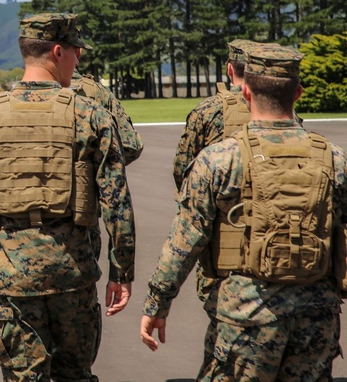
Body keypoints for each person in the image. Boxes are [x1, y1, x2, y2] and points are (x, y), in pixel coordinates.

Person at [0, 12, 135, 381]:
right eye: (76, 52)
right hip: (73, 275)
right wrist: (121, 273)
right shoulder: (90, 114)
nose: (79, 61)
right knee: (75, 374)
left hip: (12, 275)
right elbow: (116, 202)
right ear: (58, 51)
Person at [140, 43, 346, 380]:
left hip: (246, 315)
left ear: (245, 91)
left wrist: (157, 304)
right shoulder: (334, 159)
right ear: (298, 93)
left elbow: (184, 241)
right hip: (317, 318)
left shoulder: (219, 160)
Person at [172, 39, 258, 190]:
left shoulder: (208, 109)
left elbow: (182, 167)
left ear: (229, 69)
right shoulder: (280, 110)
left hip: (221, 206)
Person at [72, 70, 143, 165]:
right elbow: (131, 146)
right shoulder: (99, 92)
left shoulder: (46, 93)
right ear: (78, 54)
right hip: (86, 177)